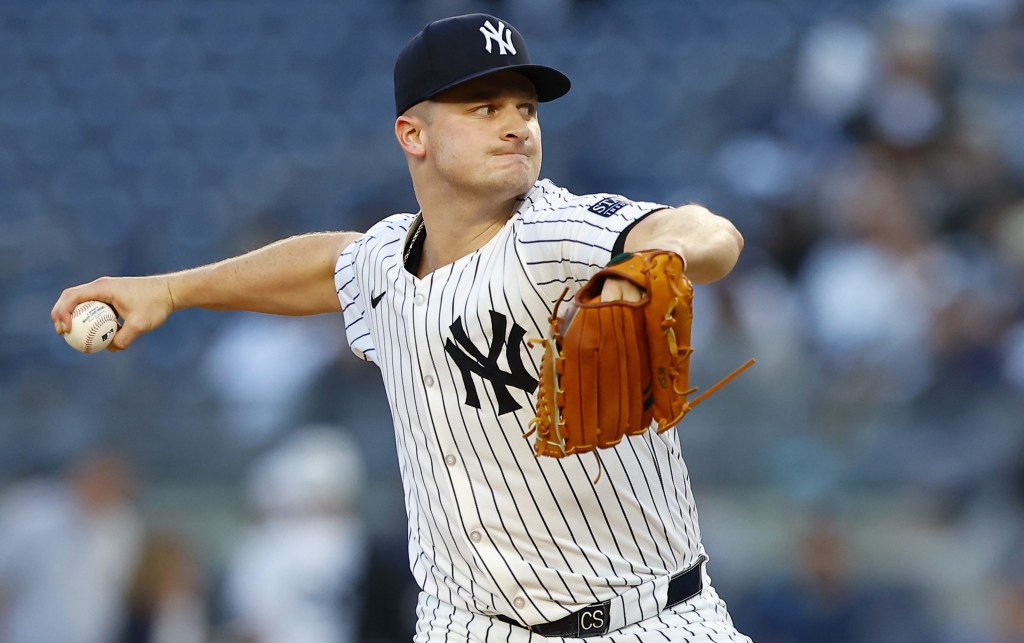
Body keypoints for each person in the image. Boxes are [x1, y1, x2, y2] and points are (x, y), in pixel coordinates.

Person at [52, 13, 749, 642]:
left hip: (644, 619)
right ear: (413, 134)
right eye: (484, 107)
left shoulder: (556, 232)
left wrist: (645, 265)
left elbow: (708, 233)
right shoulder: (387, 262)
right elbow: (329, 263)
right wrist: (169, 289)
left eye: (526, 107)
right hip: (466, 624)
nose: (517, 124)